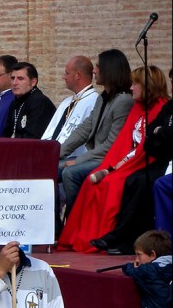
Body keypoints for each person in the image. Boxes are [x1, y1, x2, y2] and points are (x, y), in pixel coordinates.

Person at [58, 65, 169, 253]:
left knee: (111, 184)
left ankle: (111, 237)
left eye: (136, 84)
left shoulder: (159, 107)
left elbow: (144, 145)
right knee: (91, 182)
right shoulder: (127, 105)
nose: (132, 88)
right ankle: (80, 235)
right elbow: (122, 141)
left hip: (143, 161)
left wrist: (117, 166)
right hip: (123, 159)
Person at [91, 67, 173, 254]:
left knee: (145, 182)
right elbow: (149, 141)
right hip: (162, 160)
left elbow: (162, 135)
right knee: (134, 180)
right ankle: (126, 239)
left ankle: (128, 238)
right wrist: (160, 134)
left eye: (135, 83)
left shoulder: (163, 105)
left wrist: (161, 133)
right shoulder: (170, 107)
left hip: (166, 162)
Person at [58, 49, 134, 220]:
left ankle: (74, 222)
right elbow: (84, 129)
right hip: (96, 156)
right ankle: (54, 226)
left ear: (110, 70)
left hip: (109, 159)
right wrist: (57, 153)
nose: (94, 71)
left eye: (98, 67)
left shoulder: (123, 101)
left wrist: (77, 161)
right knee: (50, 168)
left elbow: (112, 145)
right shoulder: (103, 98)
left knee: (70, 173)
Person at [41, 56, 98, 143]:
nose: (63, 77)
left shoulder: (94, 102)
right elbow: (49, 132)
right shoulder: (66, 102)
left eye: (67, 73)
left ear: (77, 75)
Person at [1, 62, 56, 139]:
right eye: (12, 78)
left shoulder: (39, 102)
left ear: (33, 82)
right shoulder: (15, 102)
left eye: (20, 79)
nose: (14, 83)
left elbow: (33, 138)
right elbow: (6, 134)